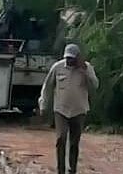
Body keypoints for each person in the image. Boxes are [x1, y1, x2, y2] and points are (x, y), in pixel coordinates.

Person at [38, 43, 99, 174]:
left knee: (74, 142)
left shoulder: (87, 68)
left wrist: (85, 71)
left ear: (78, 57)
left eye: (72, 58)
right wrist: (43, 104)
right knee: (61, 138)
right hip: (61, 110)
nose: (69, 61)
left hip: (79, 110)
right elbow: (47, 87)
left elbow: (95, 86)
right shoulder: (57, 67)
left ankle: (72, 169)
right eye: (67, 58)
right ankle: (61, 170)